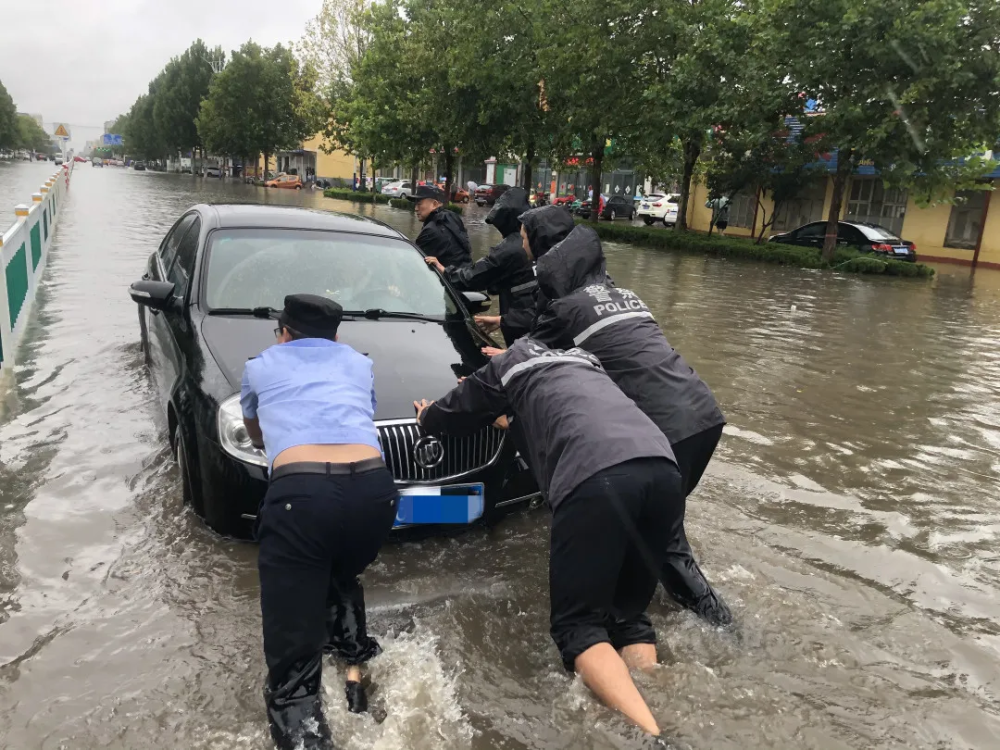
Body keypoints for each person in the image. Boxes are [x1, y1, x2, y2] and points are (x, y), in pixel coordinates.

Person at [413, 338, 685, 738]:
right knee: (627, 615)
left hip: (597, 475)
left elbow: (454, 410)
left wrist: (426, 418)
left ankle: (653, 738)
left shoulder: (506, 364)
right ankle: (652, 692)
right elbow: (568, 414)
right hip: (662, 468)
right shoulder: (584, 360)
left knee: (578, 626)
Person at [530, 224, 732, 626]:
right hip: (702, 414)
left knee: (668, 546)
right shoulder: (626, 296)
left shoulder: (565, 309)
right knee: (652, 524)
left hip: (664, 431)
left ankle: (723, 629)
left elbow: (531, 358)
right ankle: (644, 591)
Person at [241, 294, 398, 750]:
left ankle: (305, 721)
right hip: (375, 493)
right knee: (340, 572)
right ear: (336, 335)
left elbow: (258, 434)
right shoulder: (357, 363)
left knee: (291, 673)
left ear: (284, 332)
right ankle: (355, 686)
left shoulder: (260, 365)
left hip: (302, 497)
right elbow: (359, 416)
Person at [423, 187, 535, 346]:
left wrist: (445, 271)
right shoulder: (539, 239)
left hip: (522, 330)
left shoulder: (510, 248)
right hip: (532, 323)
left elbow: (476, 275)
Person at [408, 184, 473, 268]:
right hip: (464, 274)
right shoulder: (452, 217)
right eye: (415, 204)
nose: (416, 208)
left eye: (419, 204)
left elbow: (413, 262)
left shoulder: (431, 231)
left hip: (448, 279)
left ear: (434, 204)